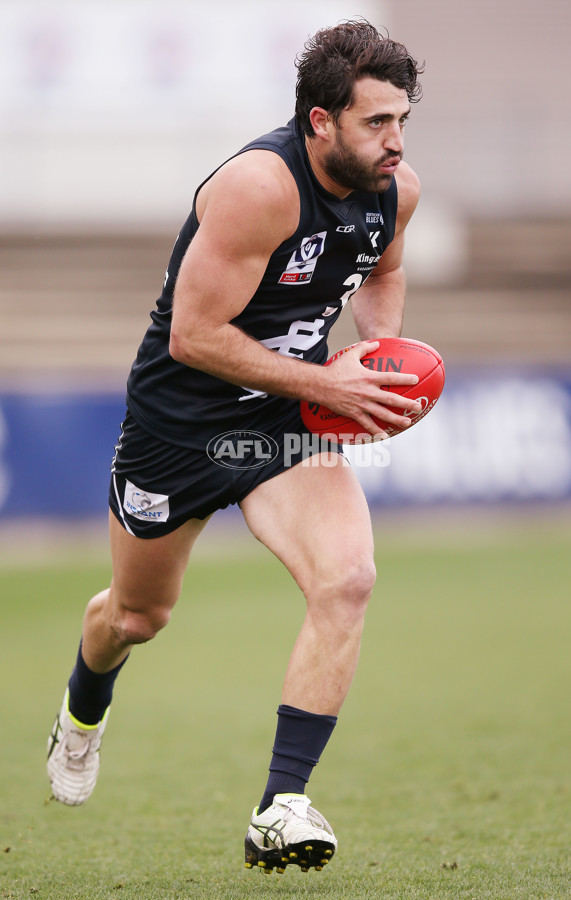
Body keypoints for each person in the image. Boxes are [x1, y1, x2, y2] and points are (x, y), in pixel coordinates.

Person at [46, 19, 423, 875]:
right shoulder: (260, 186)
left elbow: (386, 270)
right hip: (181, 429)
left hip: (282, 425)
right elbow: (193, 335)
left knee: (349, 577)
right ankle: (81, 714)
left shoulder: (396, 190)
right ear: (321, 121)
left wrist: (377, 352)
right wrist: (331, 382)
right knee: (137, 618)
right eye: (377, 122)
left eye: (403, 120)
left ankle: (280, 804)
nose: (396, 140)